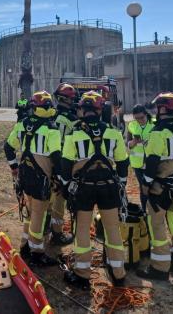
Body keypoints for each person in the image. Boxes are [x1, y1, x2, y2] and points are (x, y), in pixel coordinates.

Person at [57, 91, 130, 288]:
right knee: (113, 229)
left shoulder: (74, 134)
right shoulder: (114, 132)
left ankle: (82, 273)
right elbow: (123, 163)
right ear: (100, 110)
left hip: (84, 189)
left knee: (82, 230)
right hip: (109, 187)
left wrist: (65, 186)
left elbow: (65, 166)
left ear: (83, 110)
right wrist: (121, 184)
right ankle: (118, 273)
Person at [136, 92, 173, 280]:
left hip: (161, 188)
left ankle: (159, 268)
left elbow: (152, 162)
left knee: (157, 226)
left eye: (157, 107)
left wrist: (145, 184)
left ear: (163, 108)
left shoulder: (158, 132)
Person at [4, 90, 61, 267]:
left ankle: (25, 246)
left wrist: (14, 167)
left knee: (30, 211)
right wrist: (59, 178)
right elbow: (56, 157)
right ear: (49, 106)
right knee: (38, 214)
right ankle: (37, 253)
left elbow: (8, 147)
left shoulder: (22, 124)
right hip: (42, 177)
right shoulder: (52, 129)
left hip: (25, 174)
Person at [48, 83, 77, 246]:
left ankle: (44, 227)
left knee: (47, 197)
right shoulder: (72, 120)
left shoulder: (50, 115)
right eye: (72, 98)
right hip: (64, 163)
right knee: (59, 199)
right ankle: (57, 234)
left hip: (47, 161)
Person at [126, 104, 155, 211]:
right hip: (137, 163)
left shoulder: (155, 124)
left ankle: (154, 209)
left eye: (141, 117)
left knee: (152, 187)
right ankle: (144, 211)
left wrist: (150, 142)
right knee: (143, 188)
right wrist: (132, 143)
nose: (139, 120)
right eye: (136, 118)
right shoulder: (131, 125)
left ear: (146, 114)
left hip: (151, 163)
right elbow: (127, 143)